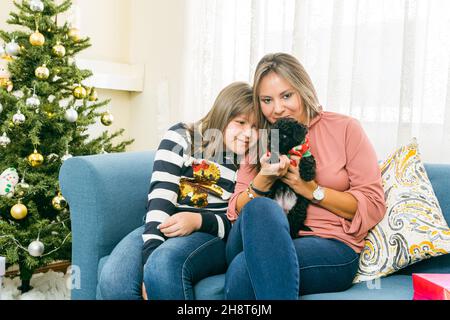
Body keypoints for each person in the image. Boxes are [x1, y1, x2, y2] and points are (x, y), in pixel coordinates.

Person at [224, 53, 386, 300]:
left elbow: (373, 205)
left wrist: (310, 189)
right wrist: (263, 181)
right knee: (260, 208)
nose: (277, 109)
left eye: (286, 96)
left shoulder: (345, 129)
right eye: (267, 100)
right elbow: (235, 210)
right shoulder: (260, 138)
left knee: (242, 272)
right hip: (259, 237)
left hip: (330, 245)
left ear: (303, 90)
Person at [142, 81, 257, 300]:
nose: (248, 134)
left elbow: (237, 222)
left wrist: (197, 221)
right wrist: (150, 252)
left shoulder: (251, 160)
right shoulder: (181, 136)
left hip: (211, 235)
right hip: (165, 222)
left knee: (163, 263)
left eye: (255, 127)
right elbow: (161, 194)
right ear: (222, 116)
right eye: (240, 122)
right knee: (115, 278)